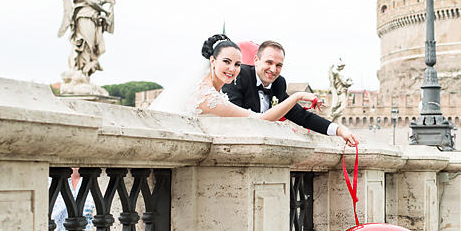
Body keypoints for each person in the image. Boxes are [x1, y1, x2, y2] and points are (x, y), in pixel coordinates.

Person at [222, 40, 359, 145]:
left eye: (278, 65)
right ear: (256, 61)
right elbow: (236, 122)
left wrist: (340, 130)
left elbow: (302, 117)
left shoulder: (278, 84)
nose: (273, 69)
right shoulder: (238, 76)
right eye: (269, 62)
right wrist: (297, 96)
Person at [150, 34, 318, 118]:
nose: (232, 69)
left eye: (238, 64)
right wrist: (298, 96)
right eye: (227, 62)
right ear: (213, 61)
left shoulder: (212, 91)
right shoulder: (207, 96)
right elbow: (259, 119)